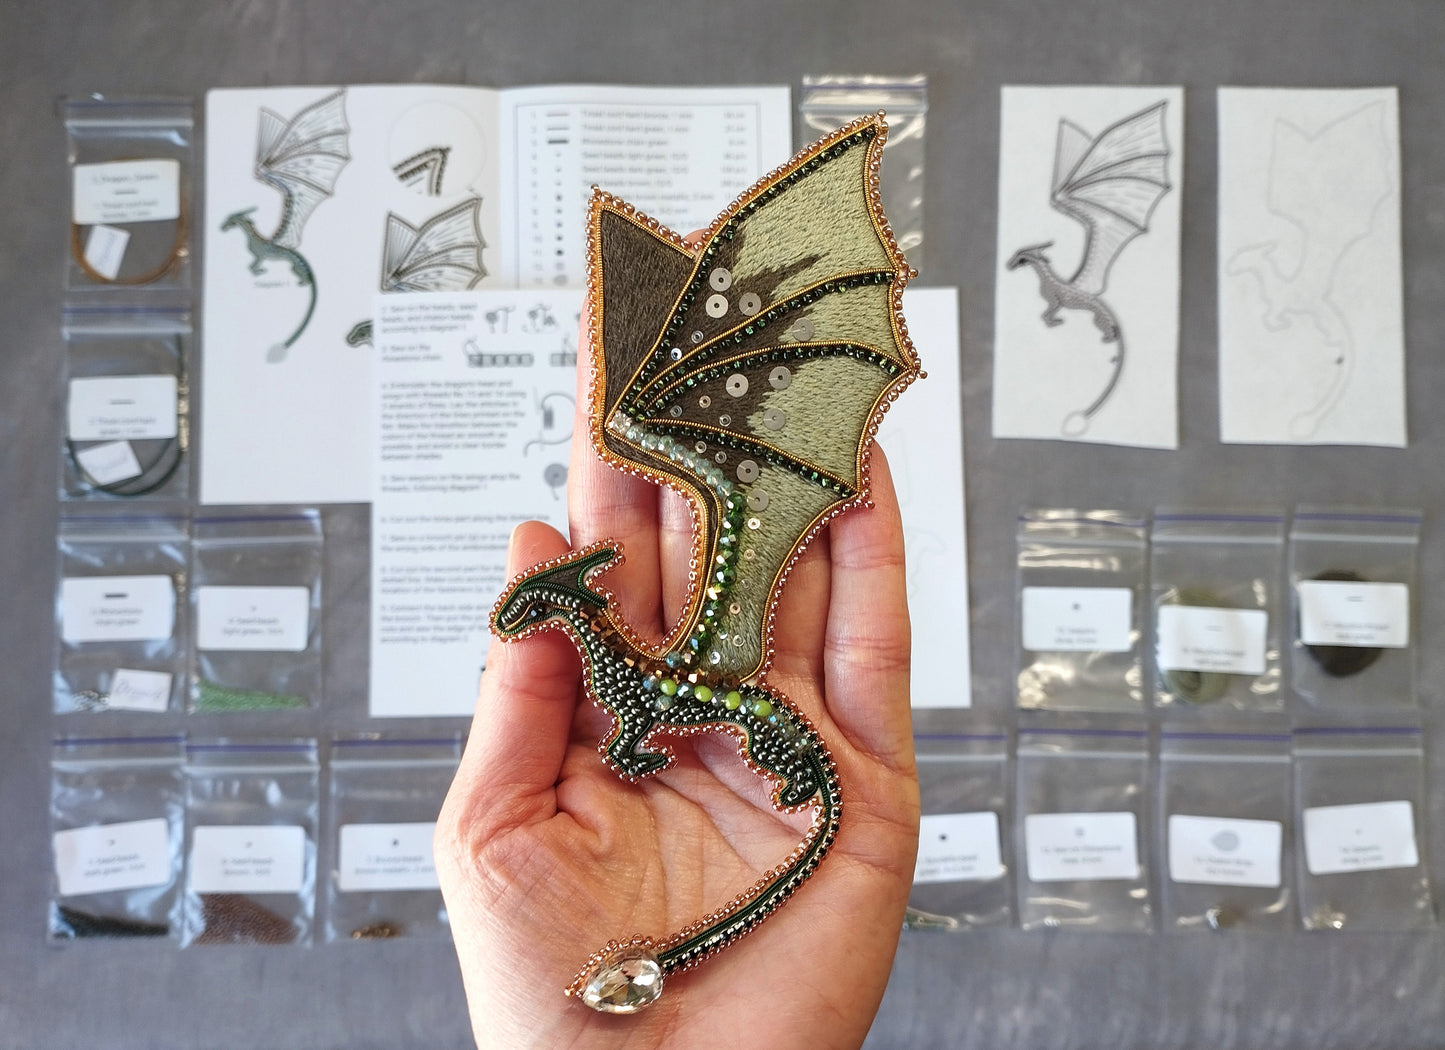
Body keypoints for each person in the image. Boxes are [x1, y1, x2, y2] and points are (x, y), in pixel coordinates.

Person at [435, 305, 922, 1049]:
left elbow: (635, 715)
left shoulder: (629, 676)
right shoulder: (613, 666)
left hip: (728, 708)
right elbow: (631, 712)